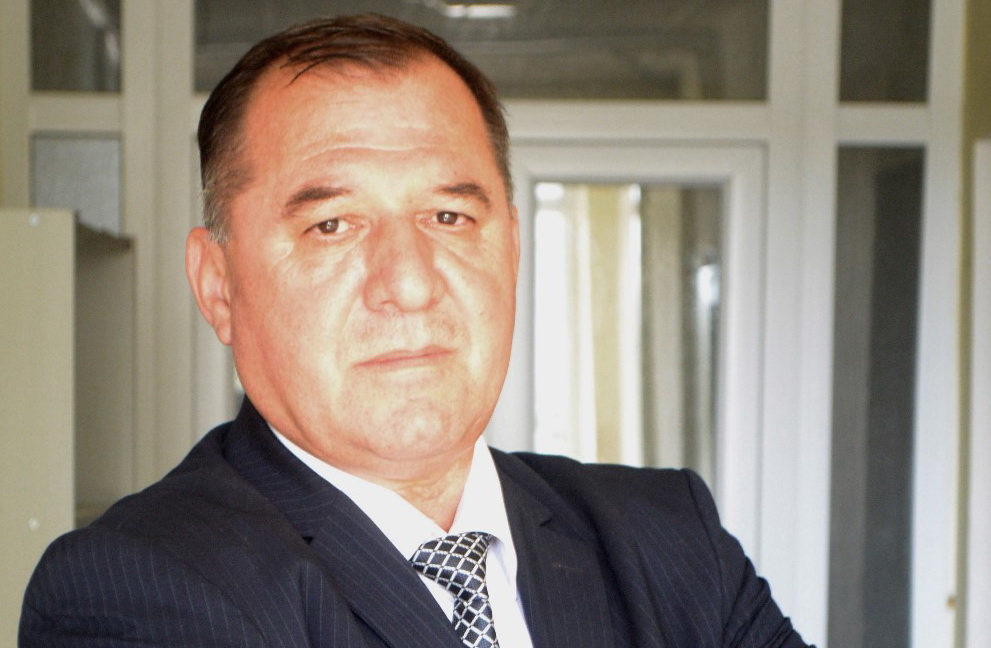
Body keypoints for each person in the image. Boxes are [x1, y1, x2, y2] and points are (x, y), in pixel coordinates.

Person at [20, 14, 811, 648]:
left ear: (511, 250)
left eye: (448, 216)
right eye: (332, 224)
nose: (408, 281)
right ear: (217, 286)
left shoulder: (667, 538)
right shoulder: (135, 586)